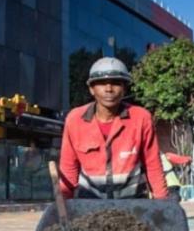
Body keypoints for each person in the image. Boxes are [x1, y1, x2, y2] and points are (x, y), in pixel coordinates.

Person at [58, 57, 169, 200]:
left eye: (116, 83)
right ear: (92, 89)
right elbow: (68, 168)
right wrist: (64, 206)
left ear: (124, 89)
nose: (109, 89)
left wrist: (163, 205)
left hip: (133, 204)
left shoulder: (141, 118)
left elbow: (153, 165)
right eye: (102, 83)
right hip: (90, 205)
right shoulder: (75, 120)